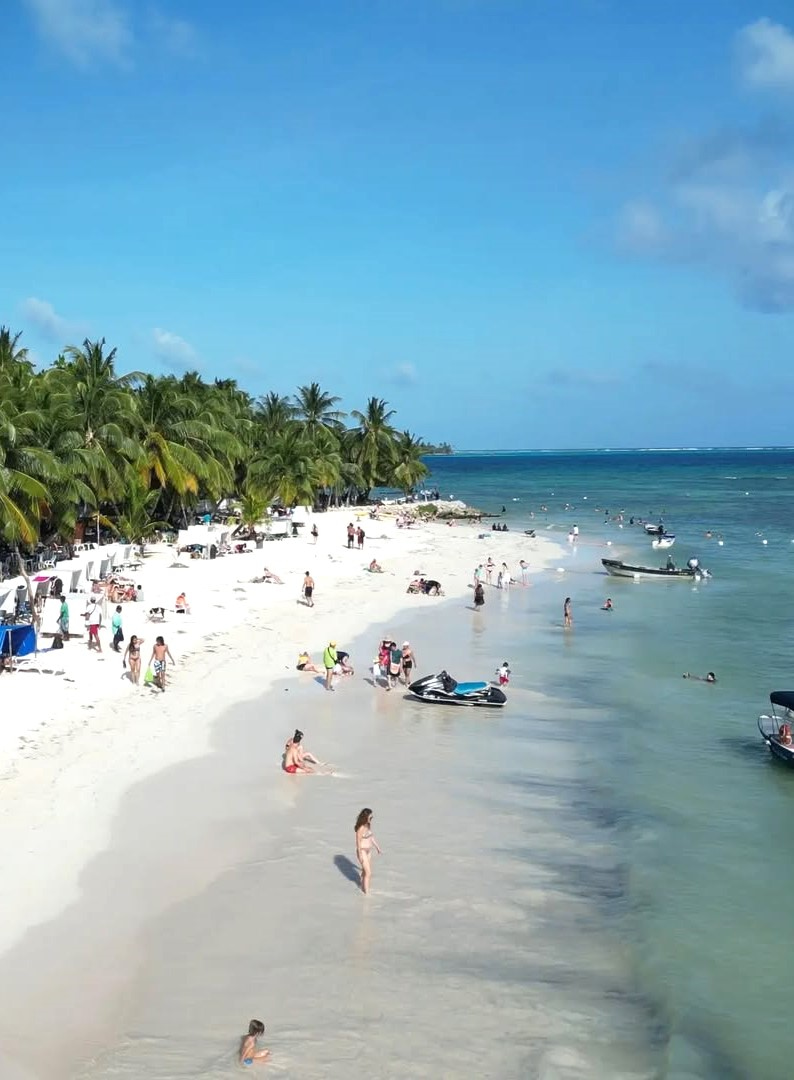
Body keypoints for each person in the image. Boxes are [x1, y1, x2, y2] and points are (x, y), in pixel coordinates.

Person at [355, 807, 381, 895]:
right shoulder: (361, 829)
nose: (371, 819)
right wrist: (360, 855)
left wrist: (377, 847)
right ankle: (366, 893)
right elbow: (358, 842)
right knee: (369, 873)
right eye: (370, 817)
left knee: (365, 871)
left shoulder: (368, 825)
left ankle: (362, 885)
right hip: (362, 851)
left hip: (368, 851)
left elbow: (371, 837)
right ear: (365, 817)